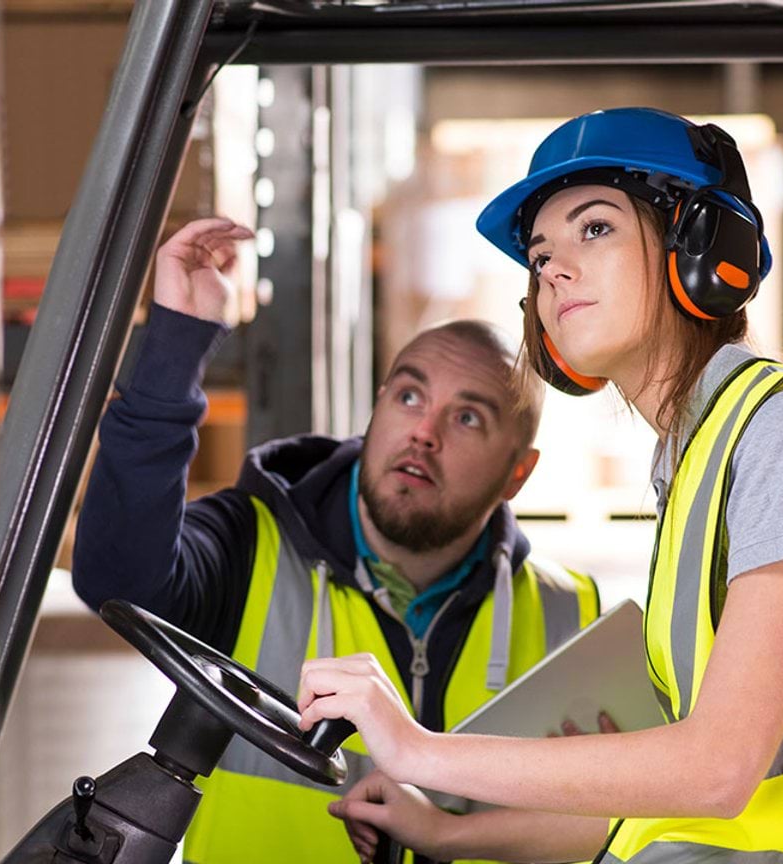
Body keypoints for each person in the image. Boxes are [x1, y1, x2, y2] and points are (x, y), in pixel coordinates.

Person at [301, 107, 783, 864]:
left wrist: (419, 751)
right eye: (540, 256)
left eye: (595, 229)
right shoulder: (698, 459)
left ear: (701, 247)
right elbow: (674, 804)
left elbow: (717, 770)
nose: (553, 270)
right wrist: (448, 831)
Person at [71, 217, 600, 864]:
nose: (424, 432)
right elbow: (117, 580)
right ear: (377, 409)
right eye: (409, 396)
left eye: (467, 417)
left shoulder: (571, 615)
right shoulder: (250, 545)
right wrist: (177, 341)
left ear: (518, 472)